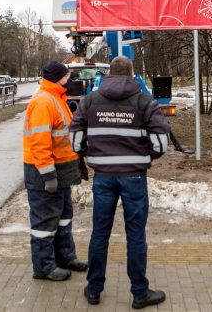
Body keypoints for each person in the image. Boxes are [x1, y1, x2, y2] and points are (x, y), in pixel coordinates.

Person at [69, 56, 170, 309]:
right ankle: (139, 293)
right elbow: (160, 144)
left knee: (100, 233)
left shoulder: (91, 100)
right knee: (135, 235)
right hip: (134, 177)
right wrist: (143, 156)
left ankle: (93, 290)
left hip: (103, 176)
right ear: (131, 74)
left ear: (109, 74)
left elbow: (75, 141)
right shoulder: (144, 101)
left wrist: (91, 154)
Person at [22, 61, 88, 281]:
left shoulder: (57, 99)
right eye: (66, 76)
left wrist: (78, 164)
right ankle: (43, 267)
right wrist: (48, 176)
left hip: (61, 173)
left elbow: (64, 139)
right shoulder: (43, 102)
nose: (69, 80)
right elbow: (40, 144)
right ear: (59, 78)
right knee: (45, 223)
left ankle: (65, 257)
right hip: (45, 175)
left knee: (63, 218)